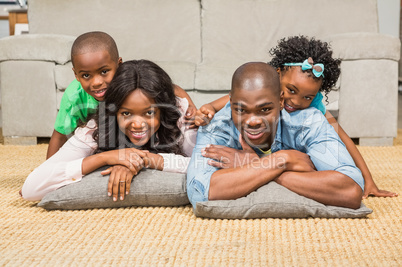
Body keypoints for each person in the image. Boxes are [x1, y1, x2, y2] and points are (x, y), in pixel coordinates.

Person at [193, 36, 397, 199]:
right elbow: (201, 190)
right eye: (291, 90)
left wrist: (367, 178)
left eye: (307, 97)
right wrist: (281, 162)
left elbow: (350, 183)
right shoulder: (223, 119)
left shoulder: (312, 115)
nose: (295, 101)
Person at [187, 62, 364, 210]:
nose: (253, 121)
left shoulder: (308, 122)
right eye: (241, 110)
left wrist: (254, 165)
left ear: (280, 101)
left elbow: (351, 190)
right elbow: (201, 192)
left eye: (265, 110)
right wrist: (283, 161)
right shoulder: (216, 127)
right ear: (231, 102)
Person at [22, 60, 197, 202]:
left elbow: (203, 165)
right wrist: (105, 158)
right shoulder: (95, 128)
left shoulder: (180, 114)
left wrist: (144, 160)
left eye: (149, 113)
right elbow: (30, 189)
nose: (137, 124)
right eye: (126, 113)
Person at [47, 31, 196, 159]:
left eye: (104, 72)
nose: (97, 82)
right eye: (86, 75)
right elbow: (59, 135)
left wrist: (191, 107)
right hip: (97, 138)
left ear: (119, 64)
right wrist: (47, 168)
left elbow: (171, 89)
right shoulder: (74, 96)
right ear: (76, 75)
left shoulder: (128, 80)